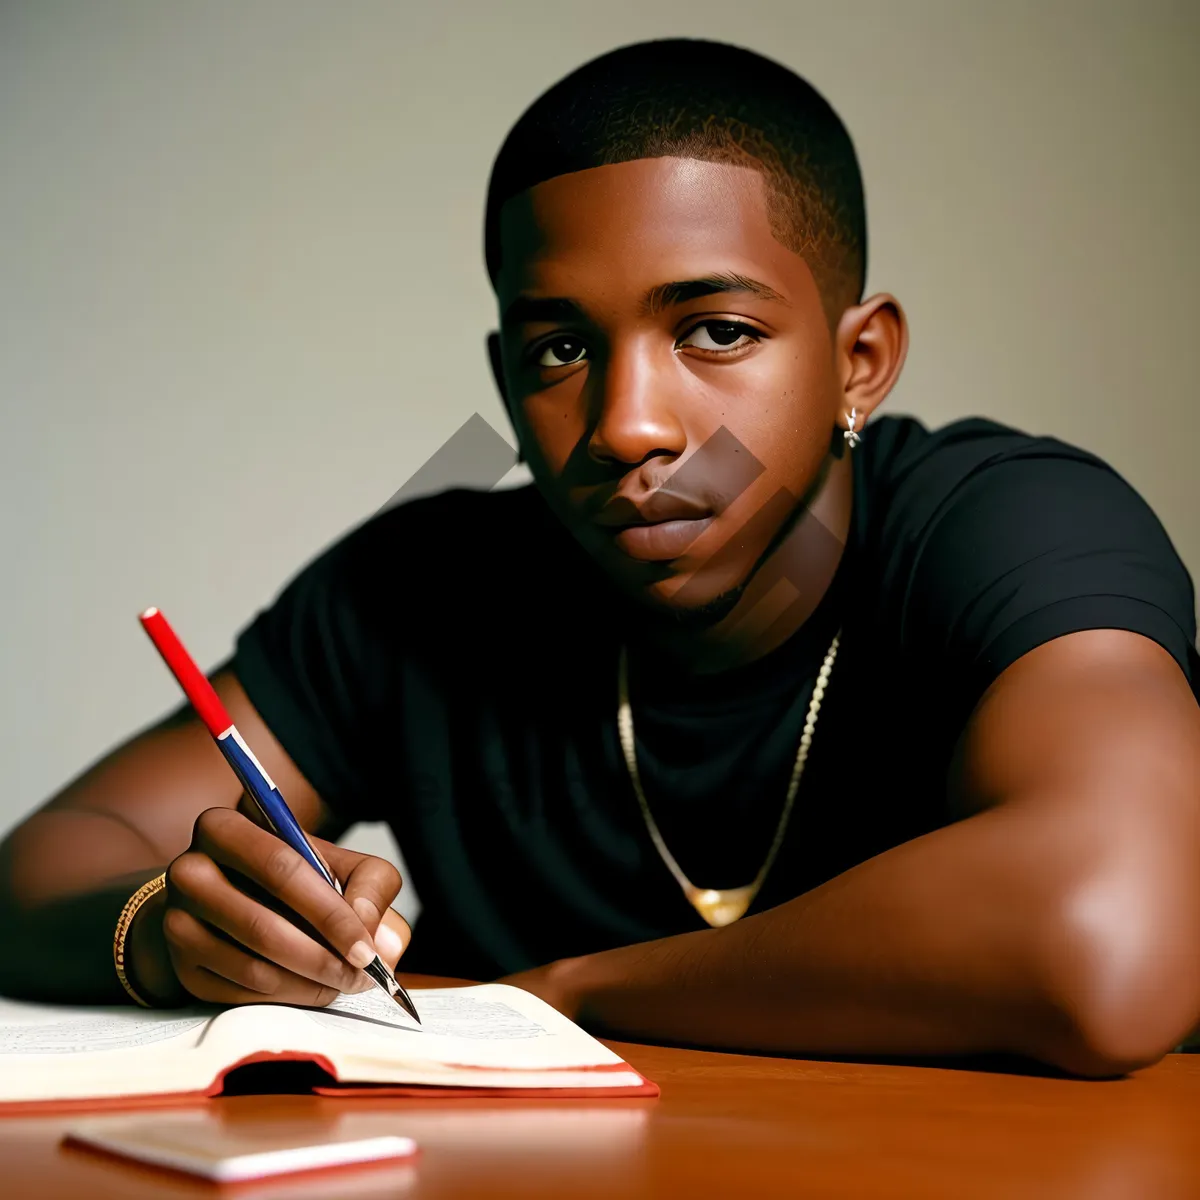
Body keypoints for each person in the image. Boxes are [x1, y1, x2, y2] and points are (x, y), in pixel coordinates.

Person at [3, 38, 1199, 1079]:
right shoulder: (425, 587)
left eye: (715, 331)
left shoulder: (1010, 525)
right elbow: (46, 865)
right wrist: (168, 927)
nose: (628, 423)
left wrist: (568, 993)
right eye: (561, 349)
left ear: (861, 362)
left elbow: (1111, 939)